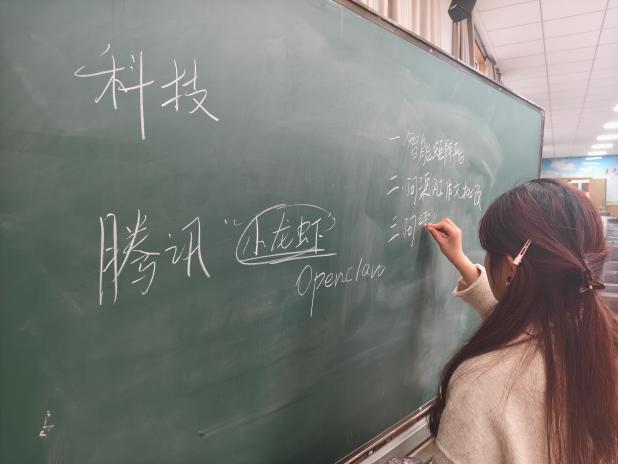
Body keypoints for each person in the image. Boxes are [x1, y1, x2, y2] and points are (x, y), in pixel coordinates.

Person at [424, 179, 618, 464]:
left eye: (489, 252)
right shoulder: (599, 340)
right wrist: (462, 262)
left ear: (509, 268)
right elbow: (526, 332)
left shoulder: (482, 385)